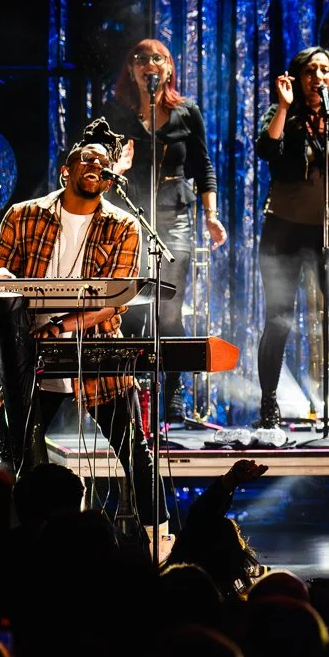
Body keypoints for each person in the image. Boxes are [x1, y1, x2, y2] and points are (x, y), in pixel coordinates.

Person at [0, 127, 161, 528]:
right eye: (86, 158)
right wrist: (1, 277)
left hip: (97, 352)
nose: (95, 164)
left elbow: (115, 298)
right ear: (66, 171)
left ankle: (161, 538)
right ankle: (11, 540)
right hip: (31, 352)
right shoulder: (24, 215)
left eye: (103, 162)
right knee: (13, 457)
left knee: (136, 454)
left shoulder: (124, 226)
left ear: (110, 179)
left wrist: (62, 325)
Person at [254, 47, 329, 443]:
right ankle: (268, 408)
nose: (317, 77)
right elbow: (267, 150)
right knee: (279, 318)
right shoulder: (281, 115)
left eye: (325, 70)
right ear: (297, 77)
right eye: (310, 71)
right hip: (283, 230)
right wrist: (284, 108)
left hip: (328, 229)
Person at [106, 38, 227, 424]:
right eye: (140, 58)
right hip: (129, 218)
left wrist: (211, 215)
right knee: (128, 308)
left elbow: (203, 165)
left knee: (168, 309)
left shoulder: (185, 112)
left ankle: (172, 388)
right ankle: (128, 388)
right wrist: (114, 170)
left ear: (169, 68)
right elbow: (94, 165)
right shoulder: (117, 115)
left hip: (174, 220)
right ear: (131, 70)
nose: (149, 63)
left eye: (157, 58)